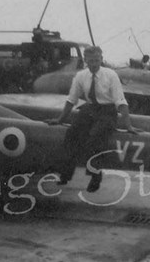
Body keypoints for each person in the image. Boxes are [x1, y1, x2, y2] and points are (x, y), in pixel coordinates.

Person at [47, 46, 140, 192]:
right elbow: (71, 99)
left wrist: (128, 125)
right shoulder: (80, 76)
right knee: (72, 133)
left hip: (107, 111)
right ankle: (65, 173)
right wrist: (60, 119)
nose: (94, 64)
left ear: (101, 59)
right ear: (86, 61)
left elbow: (120, 101)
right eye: (91, 61)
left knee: (95, 137)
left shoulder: (111, 75)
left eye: (97, 60)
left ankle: (95, 176)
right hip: (90, 109)